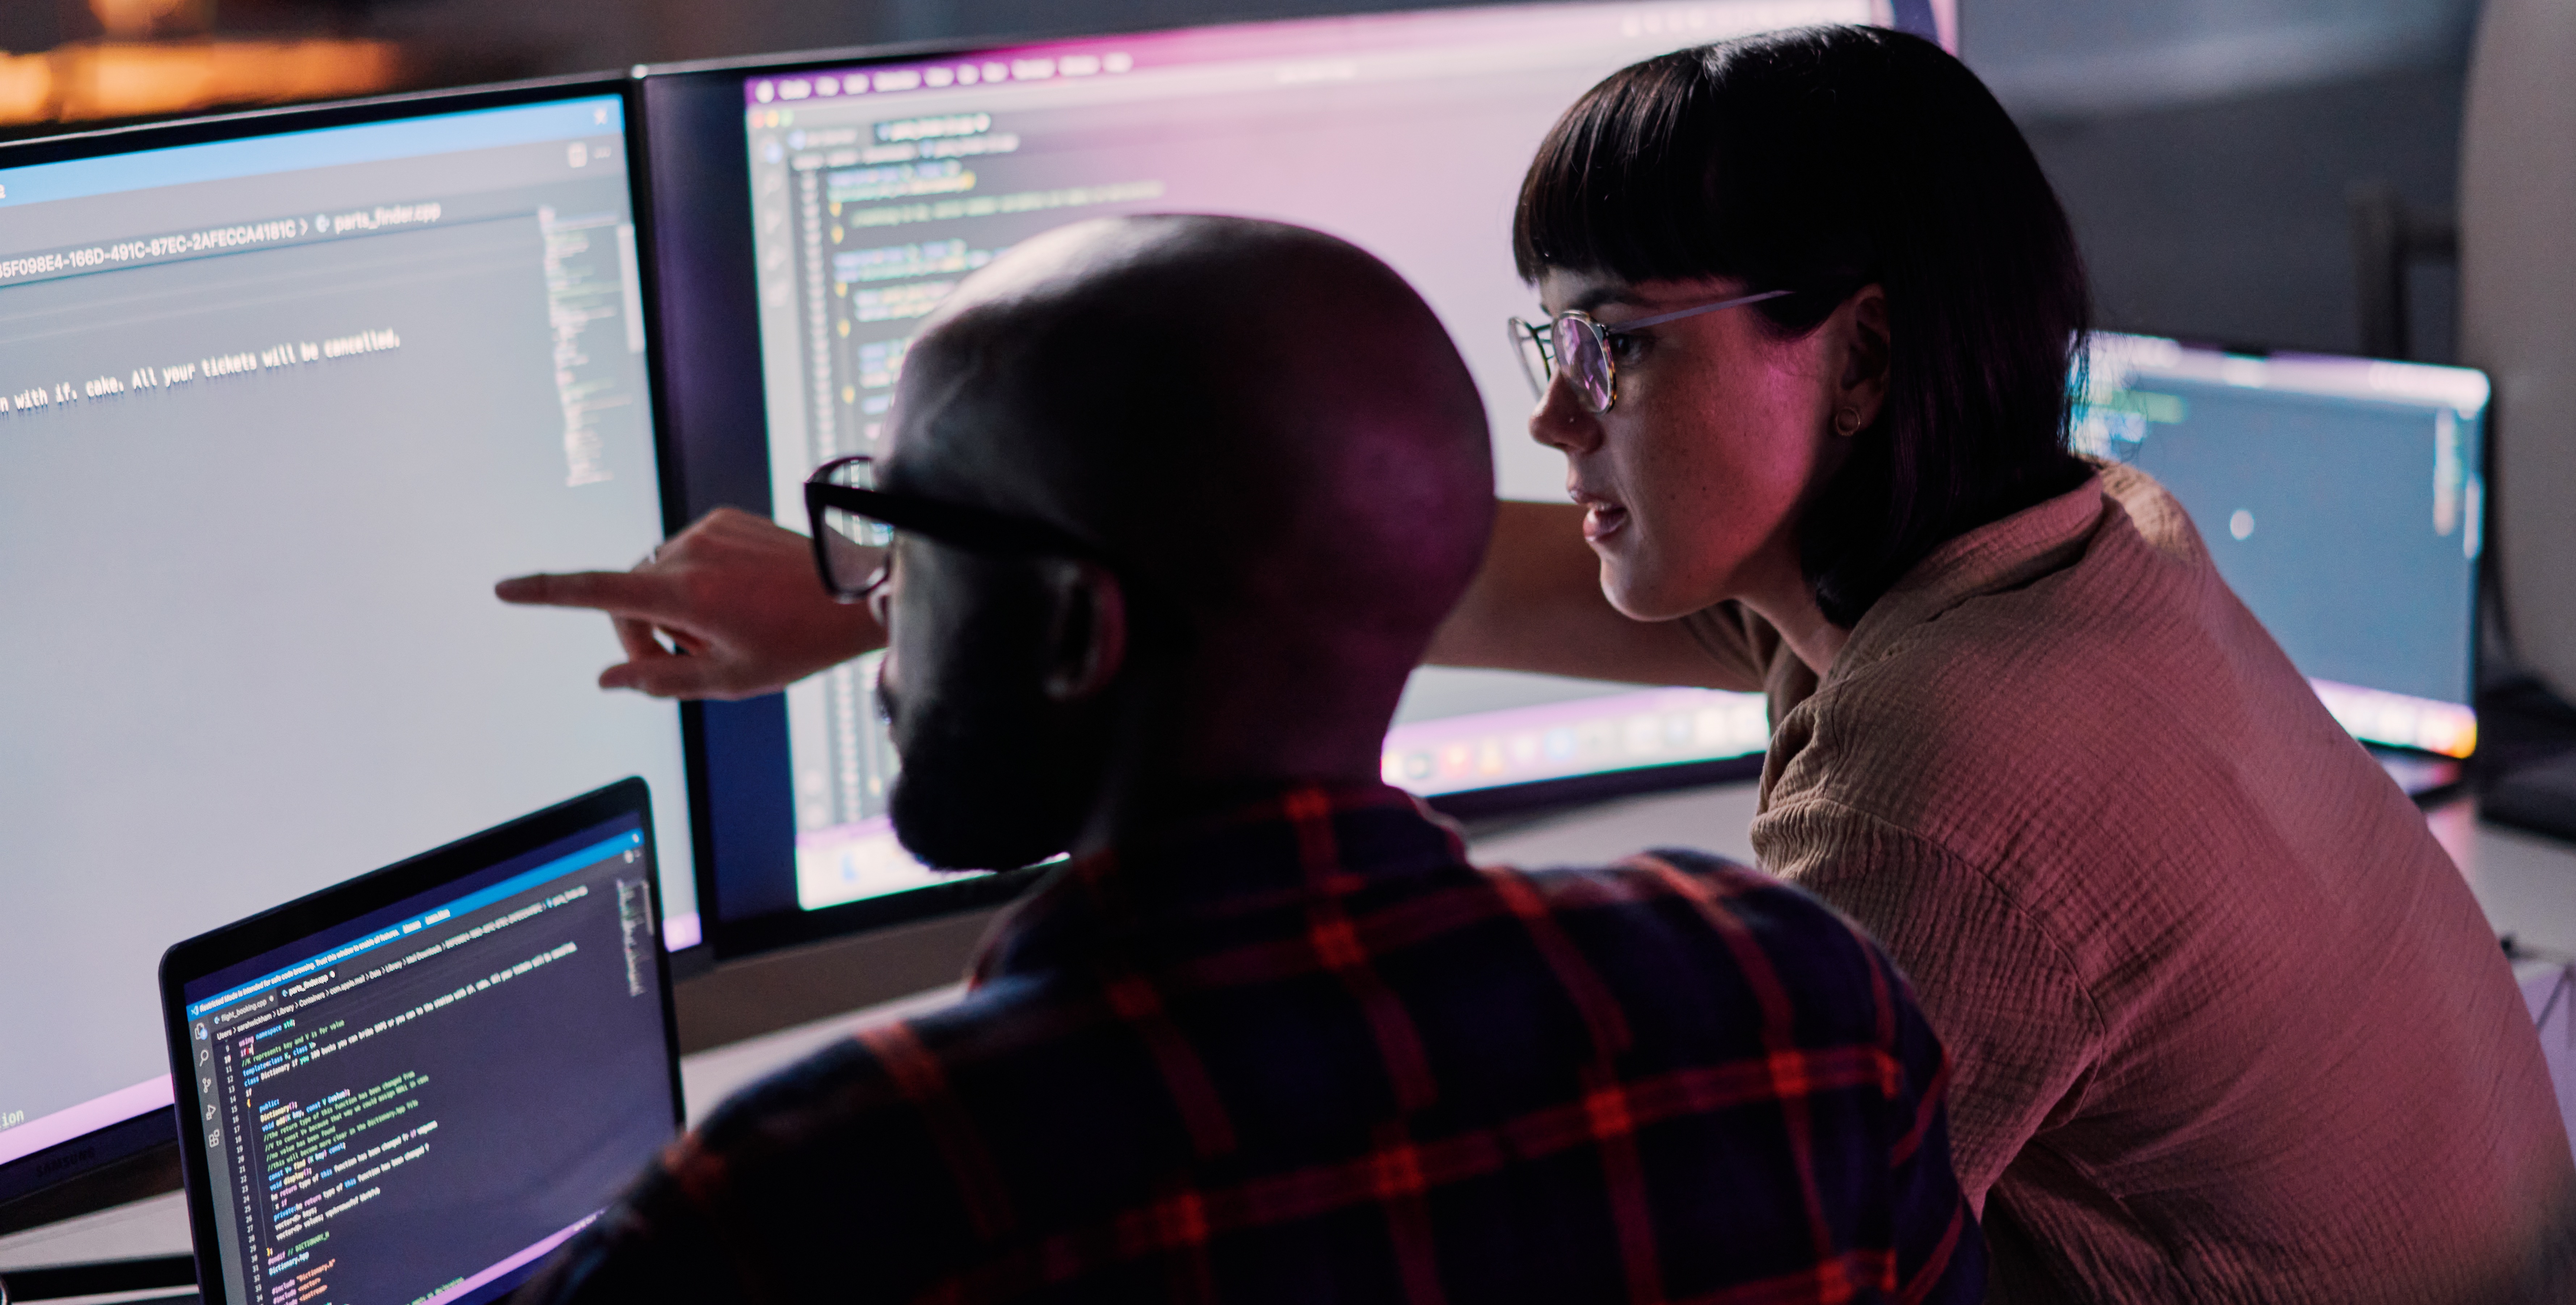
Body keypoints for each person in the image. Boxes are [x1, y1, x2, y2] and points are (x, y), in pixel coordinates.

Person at [502, 26, 2576, 1303]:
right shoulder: (2056, 558)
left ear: (1855, 354)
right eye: (1544, 346)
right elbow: (1347, 561)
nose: (1554, 417)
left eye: (1615, 343)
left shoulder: (1947, 794)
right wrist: (892, 598)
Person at [515, 215, 1984, 1304]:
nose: (873, 597)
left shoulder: (808, 1201)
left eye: (907, 542)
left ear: (1075, 629)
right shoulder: (1793, 1008)